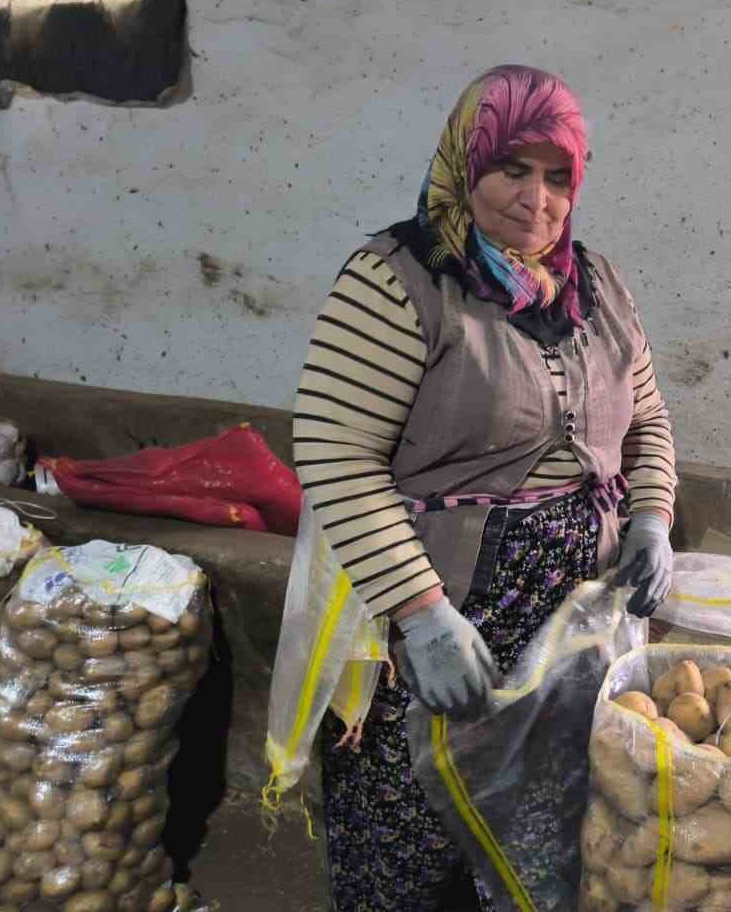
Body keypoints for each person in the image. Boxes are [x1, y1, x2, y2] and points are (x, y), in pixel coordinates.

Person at [290, 65, 677, 911]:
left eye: (557, 175)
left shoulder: (598, 287)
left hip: (573, 632)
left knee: (538, 848)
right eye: (512, 168)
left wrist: (651, 516)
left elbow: (645, 418)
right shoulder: (397, 281)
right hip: (446, 620)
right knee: (412, 843)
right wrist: (421, 614)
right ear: (466, 164)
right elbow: (333, 450)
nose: (536, 199)